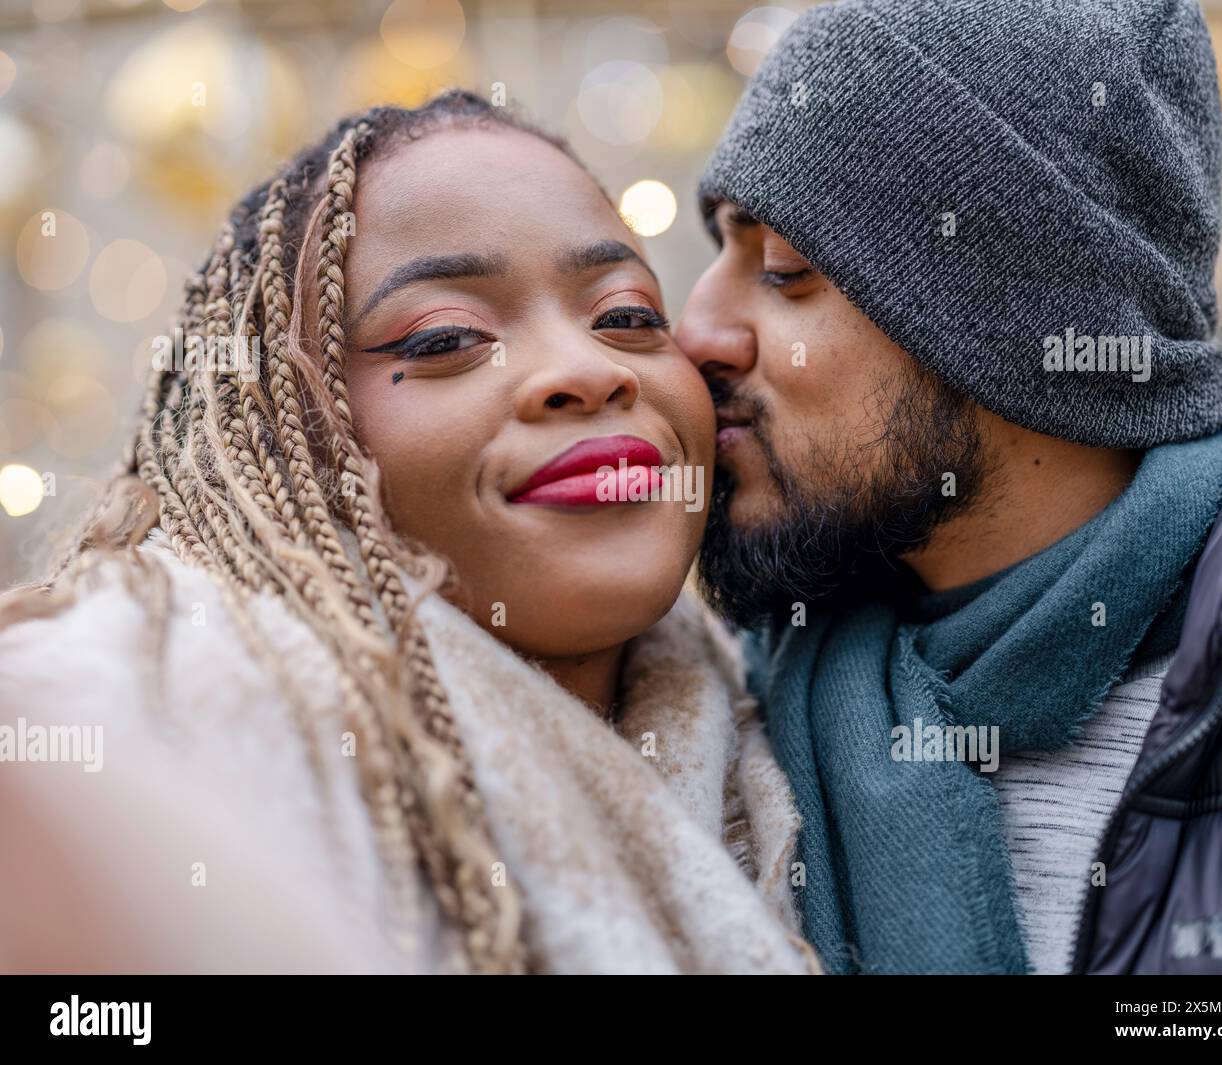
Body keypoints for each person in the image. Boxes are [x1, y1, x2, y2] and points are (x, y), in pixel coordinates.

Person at [0, 91, 818, 976]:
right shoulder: (137, 699)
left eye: (625, 316)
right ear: (290, 436)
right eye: (445, 338)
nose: (588, 370)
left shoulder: (789, 722)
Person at [677, 0, 1222, 974]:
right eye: (718, 247)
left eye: (786, 269)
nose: (695, 330)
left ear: (1014, 326)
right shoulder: (715, 706)